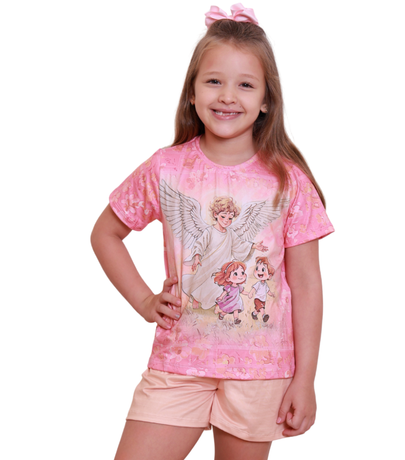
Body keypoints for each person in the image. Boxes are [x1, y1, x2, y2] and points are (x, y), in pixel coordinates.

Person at [91, 4, 334, 460]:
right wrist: (144, 301)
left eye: (245, 84)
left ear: (266, 100)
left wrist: (305, 379)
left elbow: (306, 284)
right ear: (192, 91)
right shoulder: (166, 168)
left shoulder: (288, 181)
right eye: (214, 81)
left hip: (261, 372)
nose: (227, 96)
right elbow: (105, 234)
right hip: (178, 363)